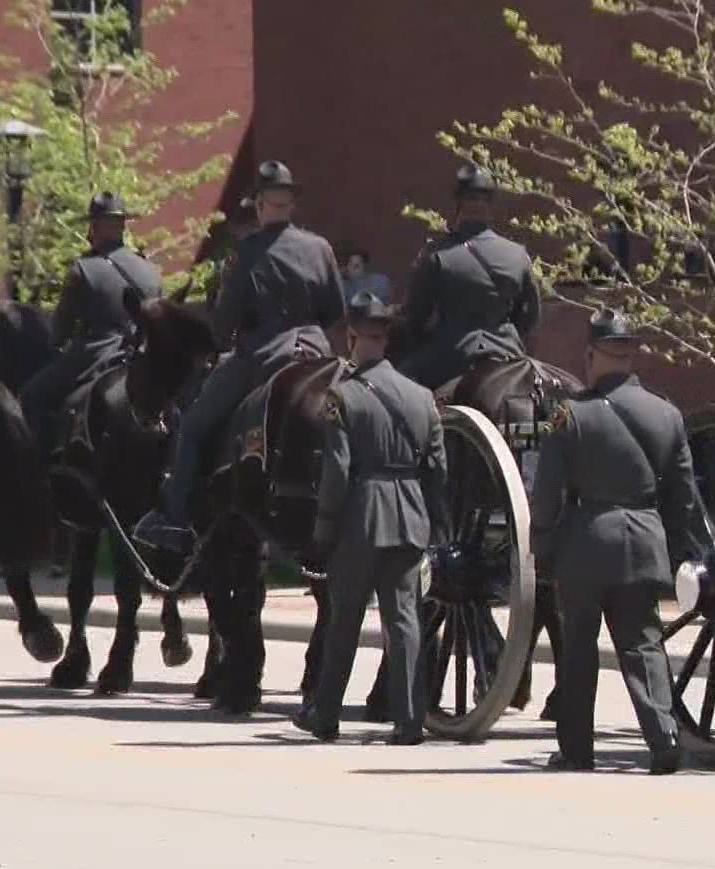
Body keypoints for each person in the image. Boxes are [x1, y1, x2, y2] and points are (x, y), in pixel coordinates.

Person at [136, 160, 345, 551]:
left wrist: (223, 335)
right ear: (290, 204)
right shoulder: (321, 247)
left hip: (263, 353)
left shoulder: (247, 252)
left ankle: (176, 521)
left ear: (262, 204)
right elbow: (335, 311)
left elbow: (223, 326)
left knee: (195, 424)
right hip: (318, 350)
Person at [530, 309, 705, 775]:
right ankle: (664, 737)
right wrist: (667, 545)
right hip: (644, 538)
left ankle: (576, 749)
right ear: (631, 355)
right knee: (643, 643)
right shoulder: (667, 413)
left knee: (579, 648)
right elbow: (683, 494)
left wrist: (542, 545)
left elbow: (547, 491)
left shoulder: (569, 414)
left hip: (586, 542)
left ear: (591, 354)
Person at [294, 292, 450, 744]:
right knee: (403, 619)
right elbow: (437, 471)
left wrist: (323, 529)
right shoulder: (422, 398)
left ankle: (326, 714)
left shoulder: (342, 397)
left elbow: (337, 472)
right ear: (386, 338)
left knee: (345, 620)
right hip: (409, 515)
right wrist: (437, 525)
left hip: (361, 517)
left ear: (353, 337)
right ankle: (408, 719)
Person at [17, 191, 163, 450]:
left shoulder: (82, 269)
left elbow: (59, 333)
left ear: (94, 226)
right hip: (143, 357)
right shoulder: (150, 271)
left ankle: (34, 474)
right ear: (121, 226)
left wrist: (57, 342)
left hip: (95, 354)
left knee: (31, 397)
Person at [394, 163, 543, 390]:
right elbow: (531, 315)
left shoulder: (437, 255)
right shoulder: (517, 254)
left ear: (459, 203)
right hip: (508, 353)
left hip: (450, 355)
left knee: (397, 386)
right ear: (491, 203)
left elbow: (415, 317)